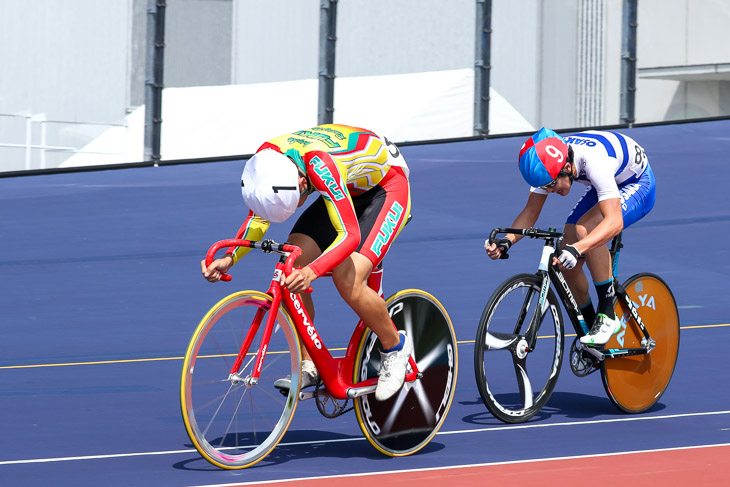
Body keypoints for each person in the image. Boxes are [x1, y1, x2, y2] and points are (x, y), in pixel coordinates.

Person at [201, 124, 413, 401]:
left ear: (302, 185)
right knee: (290, 265)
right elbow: (260, 214)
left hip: (387, 187)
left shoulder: (319, 167)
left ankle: (395, 347)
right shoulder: (269, 159)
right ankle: (309, 363)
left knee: (347, 279)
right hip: (344, 187)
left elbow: (349, 236)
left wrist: (313, 272)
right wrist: (231, 257)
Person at [485, 127, 656, 346]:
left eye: (551, 185)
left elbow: (614, 222)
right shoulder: (546, 164)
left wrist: (579, 248)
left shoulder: (595, 162)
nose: (548, 191)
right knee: (566, 250)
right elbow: (530, 213)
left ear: (567, 167)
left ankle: (607, 315)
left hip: (636, 183)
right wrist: (507, 241)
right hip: (607, 182)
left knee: (585, 230)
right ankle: (590, 325)